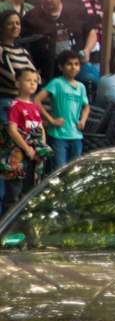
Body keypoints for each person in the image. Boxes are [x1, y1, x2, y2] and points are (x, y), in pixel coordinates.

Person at [4, 69, 48, 211]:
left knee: (29, 191)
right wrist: (28, 149)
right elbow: (12, 130)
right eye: (28, 80)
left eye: (35, 81)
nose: (32, 84)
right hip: (19, 154)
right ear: (18, 83)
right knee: (14, 193)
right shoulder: (15, 106)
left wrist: (42, 148)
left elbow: (40, 128)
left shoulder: (34, 106)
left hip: (34, 154)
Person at [37, 51, 88, 170]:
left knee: (74, 171)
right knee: (59, 170)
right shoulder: (57, 83)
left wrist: (83, 120)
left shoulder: (81, 87)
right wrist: (51, 120)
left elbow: (86, 106)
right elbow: (37, 101)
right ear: (60, 67)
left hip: (76, 135)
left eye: (76, 64)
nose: (73, 67)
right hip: (59, 136)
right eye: (69, 64)